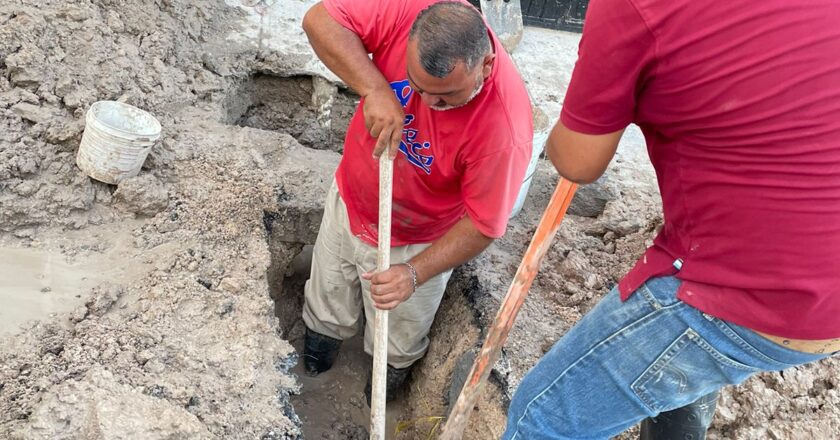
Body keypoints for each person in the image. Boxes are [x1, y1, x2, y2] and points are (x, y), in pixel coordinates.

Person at [503, 0, 840, 438]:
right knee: (679, 368)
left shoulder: (631, 10)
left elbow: (577, 162)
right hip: (815, 274)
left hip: (766, 293)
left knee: (540, 417)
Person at [299, 0, 532, 404]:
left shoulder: (503, 128)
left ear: (487, 66)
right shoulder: (412, 12)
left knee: (397, 341)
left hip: (422, 236)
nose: (426, 105)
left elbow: (483, 225)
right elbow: (319, 19)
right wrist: (375, 88)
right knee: (325, 305)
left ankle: (382, 395)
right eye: (417, 87)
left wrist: (412, 273)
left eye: (445, 97)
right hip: (351, 202)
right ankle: (316, 370)